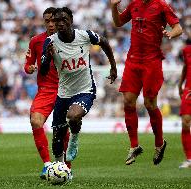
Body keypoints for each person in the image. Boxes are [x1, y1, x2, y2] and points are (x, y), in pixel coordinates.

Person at [40, 7, 117, 164]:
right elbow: (43, 71)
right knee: (57, 138)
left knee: (73, 116)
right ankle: (60, 169)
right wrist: (47, 57)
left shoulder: (85, 35)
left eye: (64, 20)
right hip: (63, 93)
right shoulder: (50, 42)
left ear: (71, 21)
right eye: (57, 21)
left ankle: (74, 138)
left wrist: (113, 66)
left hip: (85, 89)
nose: (60, 23)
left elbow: (105, 42)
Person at [110, 0, 183, 165]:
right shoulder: (134, 4)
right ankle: (134, 146)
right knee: (128, 102)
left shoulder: (161, 5)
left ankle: (159, 143)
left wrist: (172, 34)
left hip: (152, 61)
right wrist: (114, 6)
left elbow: (178, 27)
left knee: (150, 104)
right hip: (133, 60)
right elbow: (118, 22)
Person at [24, 7, 70, 179]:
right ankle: (47, 165)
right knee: (36, 121)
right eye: (47, 21)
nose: (51, 24)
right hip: (46, 90)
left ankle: (66, 167)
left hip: (65, 89)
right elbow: (27, 65)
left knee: (64, 131)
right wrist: (30, 68)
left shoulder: (69, 39)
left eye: (53, 20)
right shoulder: (36, 41)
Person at [178, 38, 191, 169]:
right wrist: (180, 84)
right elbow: (186, 67)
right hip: (188, 91)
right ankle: (189, 159)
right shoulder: (186, 50)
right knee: (185, 123)